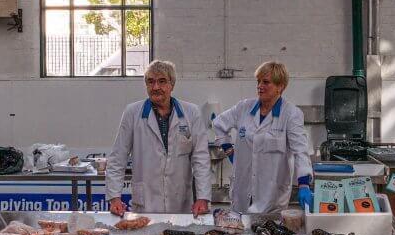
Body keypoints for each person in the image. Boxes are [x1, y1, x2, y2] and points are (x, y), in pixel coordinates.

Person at [106, 60, 212, 216]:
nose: (156, 87)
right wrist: (114, 197)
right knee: (146, 232)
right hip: (146, 202)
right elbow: (117, 158)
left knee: (180, 232)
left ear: (172, 84)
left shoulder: (191, 113)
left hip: (180, 200)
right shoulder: (132, 113)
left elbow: (201, 158)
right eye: (151, 82)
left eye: (162, 81)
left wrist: (203, 197)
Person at [213, 61, 313, 214]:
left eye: (266, 82)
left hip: (272, 197)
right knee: (240, 227)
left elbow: (300, 151)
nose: (260, 86)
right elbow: (218, 123)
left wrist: (304, 184)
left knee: (269, 229)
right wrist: (229, 151)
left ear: (280, 87)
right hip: (242, 191)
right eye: (258, 81)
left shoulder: (291, 114)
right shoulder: (243, 107)